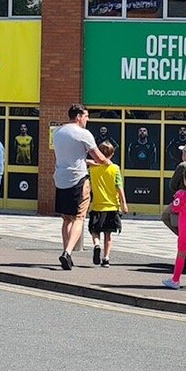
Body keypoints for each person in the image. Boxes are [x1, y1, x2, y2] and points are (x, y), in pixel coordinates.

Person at [52, 104, 110, 270]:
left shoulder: (58, 132)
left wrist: (86, 161)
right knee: (79, 218)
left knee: (66, 219)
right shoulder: (83, 133)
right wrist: (109, 163)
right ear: (78, 116)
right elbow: (99, 157)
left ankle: (66, 251)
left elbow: (71, 156)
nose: (87, 119)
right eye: (86, 116)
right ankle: (68, 252)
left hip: (60, 178)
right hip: (78, 179)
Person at [88, 141, 127, 267]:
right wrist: (123, 203)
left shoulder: (92, 168)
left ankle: (96, 245)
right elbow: (119, 187)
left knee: (94, 230)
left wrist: (89, 161)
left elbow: (88, 184)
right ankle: (106, 258)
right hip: (112, 206)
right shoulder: (115, 168)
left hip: (97, 205)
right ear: (112, 154)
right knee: (108, 234)